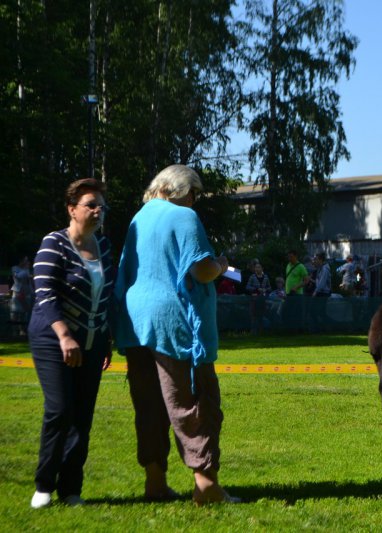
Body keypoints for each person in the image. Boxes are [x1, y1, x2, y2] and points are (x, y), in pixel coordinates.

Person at [114, 164, 239, 505]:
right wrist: (221, 264)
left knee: (149, 405)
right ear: (180, 189)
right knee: (194, 401)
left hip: (135, 323)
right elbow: (201, 270)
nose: (195, 200)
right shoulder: (184, 217)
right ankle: (206, 486)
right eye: (194, 193)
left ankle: (154, 482)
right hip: (173, 322)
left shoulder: (139, 218)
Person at [28, 178, 114, 509]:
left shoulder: (103, 245)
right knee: (60, 410)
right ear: (72, 209)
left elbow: (106, 294)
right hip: (53, 339)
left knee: (82, 416)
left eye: (101, 206)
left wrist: (105, 337)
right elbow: (45, 292)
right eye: (91, 205)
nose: (98, 211)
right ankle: (44, 486)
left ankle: (71, 489)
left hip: (93, 340)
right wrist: (65, 335)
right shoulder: (54, 243)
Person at [245, 261, 271, 335]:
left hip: (262, 299)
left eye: (258, 267)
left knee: (262, 315)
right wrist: (256, 289)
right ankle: (253, 331)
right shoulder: (252, 277)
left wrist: (265, 289)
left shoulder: (266, 277)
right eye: (256, 267)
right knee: (254, 315)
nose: (257, 269)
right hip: (254, 299)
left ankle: (261, 331)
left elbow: (269, 287)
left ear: (262, 268)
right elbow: (247, 287)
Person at [11, 256, 34, 336]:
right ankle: (14, 330)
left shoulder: (27, 269)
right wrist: (26, 270)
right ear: (21, 261)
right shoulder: (15, 268)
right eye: (26, 260)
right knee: (15, 312)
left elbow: (29, 280)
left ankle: (22, 330)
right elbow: (18, 277)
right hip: (18, 292)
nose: (28, 262)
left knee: (24, 312)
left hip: (27, 292)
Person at [310, 252, 331, 331]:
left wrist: (315, 291)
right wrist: (311, 280)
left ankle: (326, 327)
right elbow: (319, 281)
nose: (314, 260)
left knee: (317, 311)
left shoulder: (325, 269)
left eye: (316, 259)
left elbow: (322, 282)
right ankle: (322, 327)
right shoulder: (320, 268)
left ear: (320, 260)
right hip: (321, 292)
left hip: (323, 293)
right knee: (318, 312)